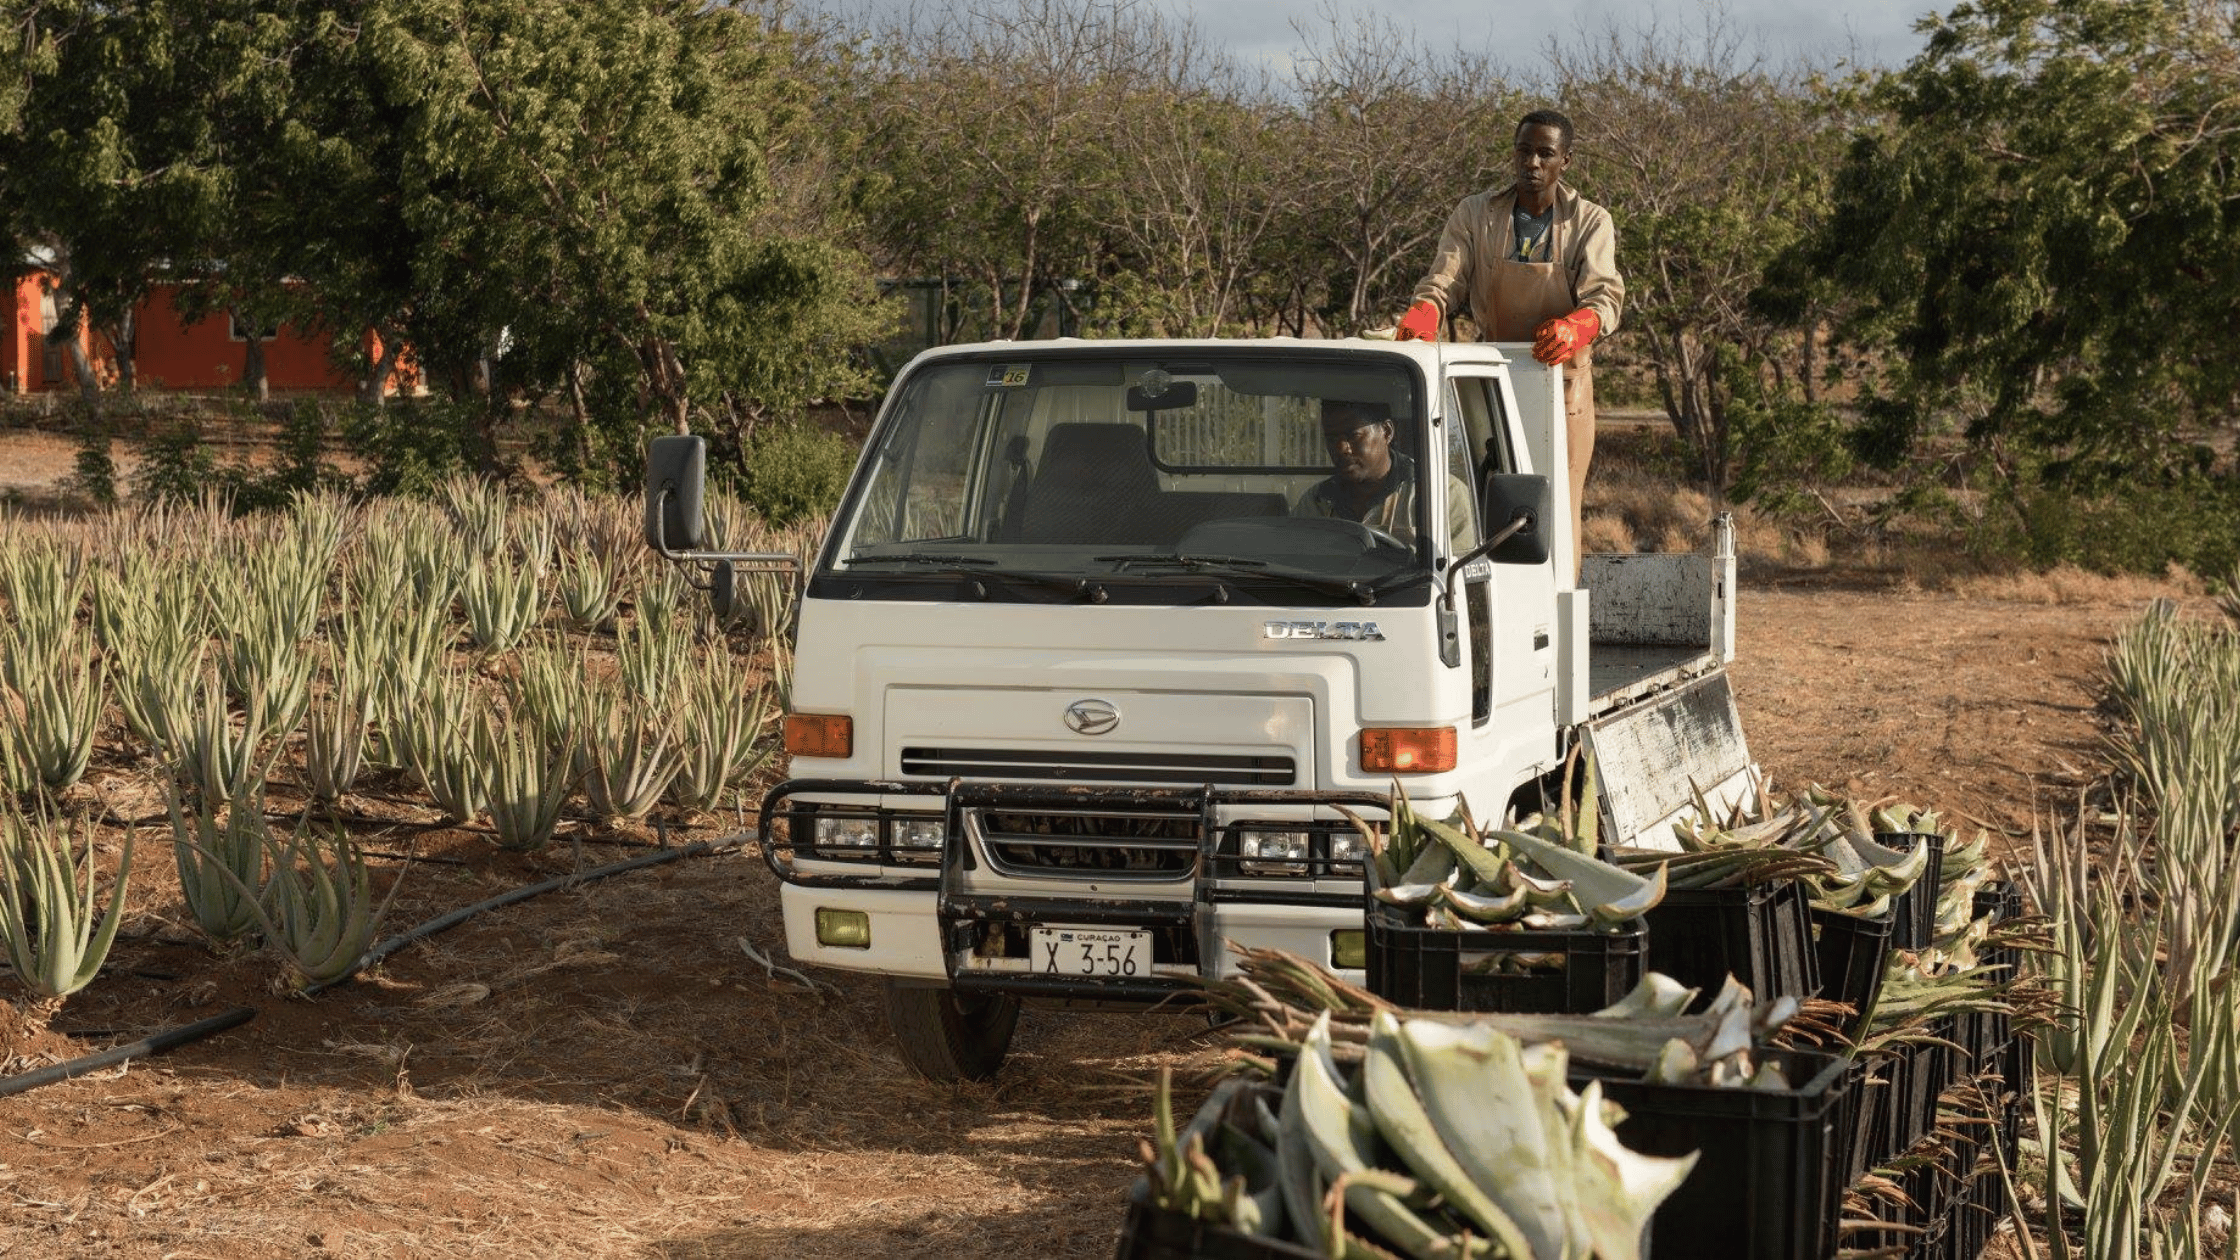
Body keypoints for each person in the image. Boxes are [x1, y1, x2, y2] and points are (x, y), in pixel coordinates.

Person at [1395, 108, 1623, 570]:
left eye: (1545, 153)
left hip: (1562, 380)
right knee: (1489, 499)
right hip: (1491, 375)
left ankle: (1559, 613)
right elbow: (1444, 282)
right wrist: (1426, 312)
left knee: (1558, 502)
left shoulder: (1590, 220)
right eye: (1524, 151)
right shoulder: (1476, 213)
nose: (1532, 163)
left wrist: (1576, 327)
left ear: (1566, 161)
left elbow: (1605, 296)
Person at [1293, 398, 1473, 551]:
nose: (1341, 448)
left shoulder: (1441, 496)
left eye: (1353, 435)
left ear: (1386, 432)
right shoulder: (1315, 503)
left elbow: (1458, 578)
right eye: (1332, 438)